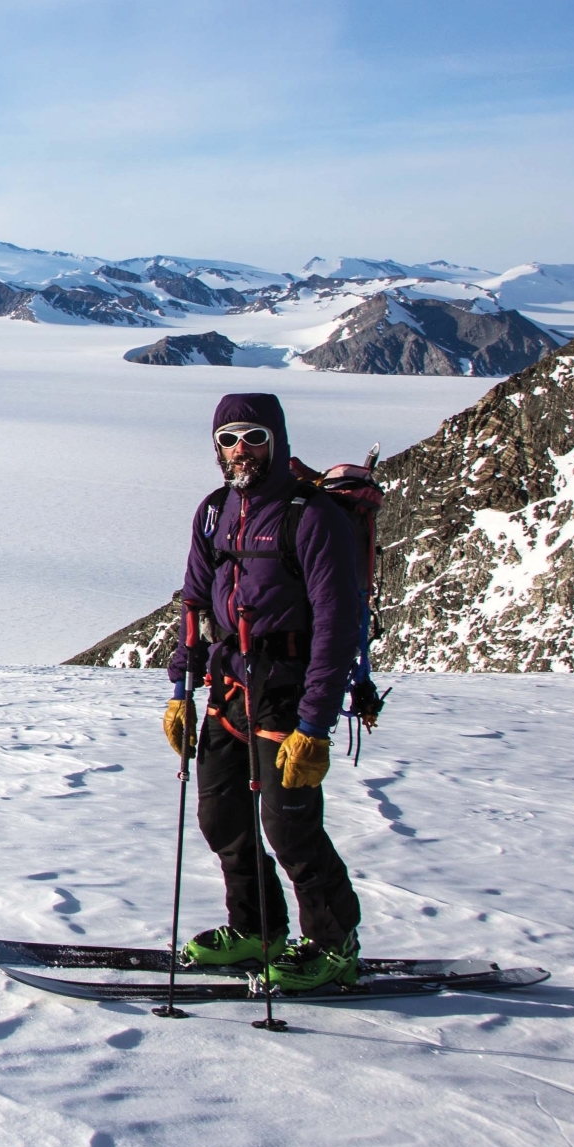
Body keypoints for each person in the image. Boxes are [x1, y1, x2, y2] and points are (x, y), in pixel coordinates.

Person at [161, 392, 365, 992]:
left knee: (291, 828)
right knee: (221, 818)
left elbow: (336, 623)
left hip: (287, 694)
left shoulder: (311, 515)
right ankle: (258, 930)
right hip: (227, 689)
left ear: (276, 439)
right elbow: (195, 604)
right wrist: (182, 688)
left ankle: (334, 945)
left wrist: (315, 725)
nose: (239, 450)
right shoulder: (212, 511)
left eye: (252, 436)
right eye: (227, 439)